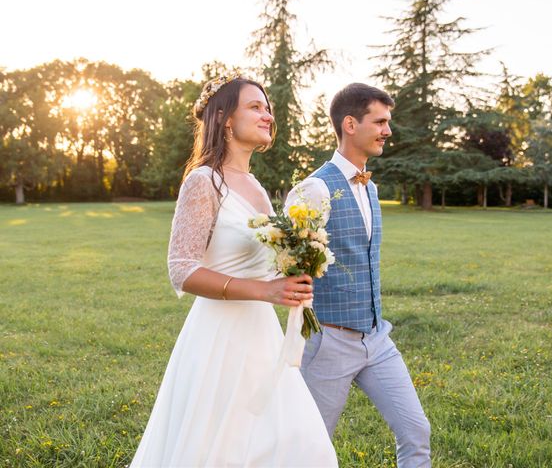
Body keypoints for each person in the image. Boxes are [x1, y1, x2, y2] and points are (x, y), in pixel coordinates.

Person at [130, 74, 337, 467]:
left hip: (262, 339)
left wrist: (295, 275)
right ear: (225, 118)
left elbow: (267, 266)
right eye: (255, 107)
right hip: (218, 341)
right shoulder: (203, 181)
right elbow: (181, 269)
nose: (267, 116)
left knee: (300, 445)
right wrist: (265, 292)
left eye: (268, 108)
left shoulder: (258, 188)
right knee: (218, 447)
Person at [285, 83, 431, 467]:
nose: (388, 130)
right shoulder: (313, 189)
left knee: (417, 431)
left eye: (388, 122)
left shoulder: (371, 187)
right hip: (328, 342)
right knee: (310, 447)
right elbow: (286, 263)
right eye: (380, 121)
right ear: (350, 124)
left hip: (377, 339)